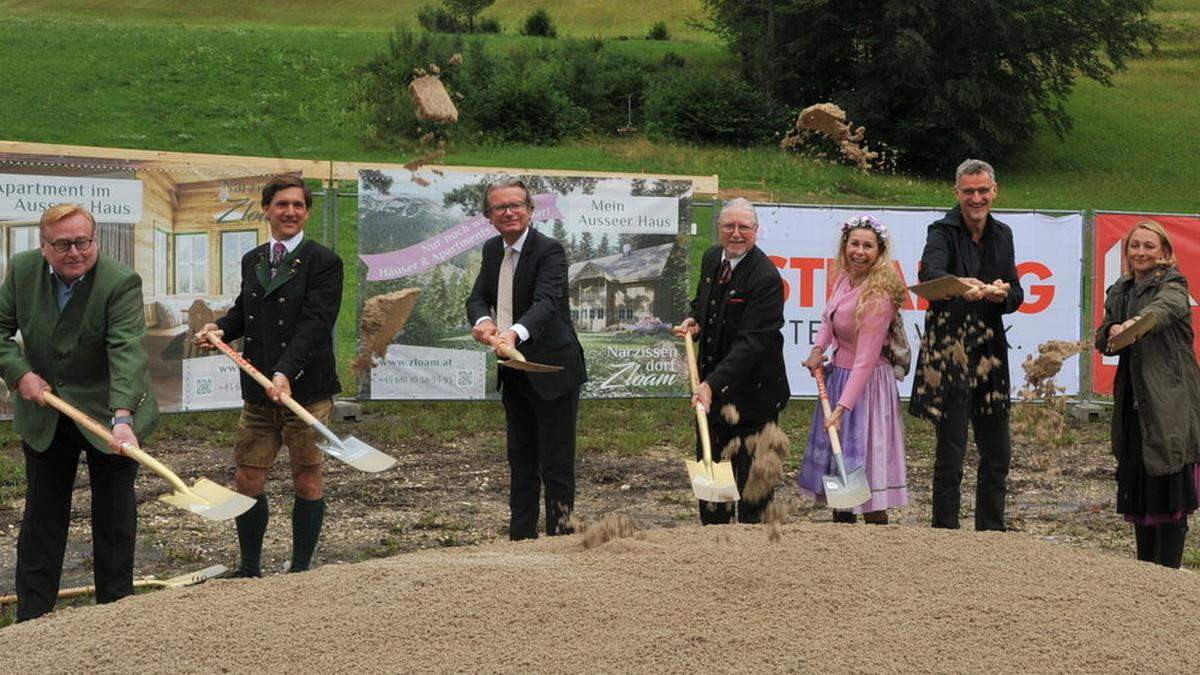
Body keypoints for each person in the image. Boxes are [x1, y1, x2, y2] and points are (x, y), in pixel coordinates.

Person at [0, 203, 158, 621]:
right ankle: (33, 620)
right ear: (44, 245)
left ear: (96, 240)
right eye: (64, 244)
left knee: (114, 519)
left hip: (108, 411)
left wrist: (122, 419)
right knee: (42, 519)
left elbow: (125, 351)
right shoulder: (22, 270)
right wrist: (20, 374)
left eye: (83, 242)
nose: (75, 252)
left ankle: (114, 615)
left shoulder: (120, 281)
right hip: (47, 410)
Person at [195, 175, 343, 577]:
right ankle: (249, 569)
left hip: (305, 390)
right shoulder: (254, 259)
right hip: (259, 390)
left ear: (307, 212)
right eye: (282, 204)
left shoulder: (324, 262)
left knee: (307, 475)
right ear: (267, 209)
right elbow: (245, 310)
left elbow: (315, 323)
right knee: (247, 476)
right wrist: (221, 327)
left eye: (298, 205)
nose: (290, 212)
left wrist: (285, 372)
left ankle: (299, 570)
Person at [466, 178, 587, 540]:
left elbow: (547, 303)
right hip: (514, 371)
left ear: (530, 211)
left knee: (556, 463)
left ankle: (561, 538)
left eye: (516, 205)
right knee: (520, 459)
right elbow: (476, 298)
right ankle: (520, 540)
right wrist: (483, 321)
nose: (509, 212)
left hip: (552, 370)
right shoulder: (491, 251)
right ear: (489, 216)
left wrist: (513, 334)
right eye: (500, 207)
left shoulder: (549, 251)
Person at [908, 159, 1023, 531]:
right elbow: (932, 276)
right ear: (957, 194)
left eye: (983, 190)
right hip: (950, 352)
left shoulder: (1003, 234)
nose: (977, 198)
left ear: (995, 191)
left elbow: (1016, 290)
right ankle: (946, 535)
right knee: (951, 454)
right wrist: (965, 285)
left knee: (997, 454)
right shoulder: (941, 231)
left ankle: (991, 533)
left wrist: (1002, 294)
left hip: (989, 353)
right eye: (969, 191)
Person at [673, 198, 789, 524]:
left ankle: (754, 563)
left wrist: (710, 383)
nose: (736, 233)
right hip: (713, 395)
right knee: (714, 492)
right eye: (729, 226)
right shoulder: (712, 258)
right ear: (719, 228)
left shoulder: (765, 277)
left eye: (744, 227)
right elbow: (703, 303)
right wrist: (695, 320)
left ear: (756, 231)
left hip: (756, 399)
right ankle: (715, 551)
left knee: (754, 496)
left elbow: (750, 344)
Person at [1096, 220, 1200, 568]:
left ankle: (1168, 573)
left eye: (1148, 246)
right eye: (1134, 246)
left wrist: (1135, 324)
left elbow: (1164, 310)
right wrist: (1112, 328)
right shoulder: (1120, 289)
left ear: (1165, 252)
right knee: (1139, 490)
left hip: (1169, 400)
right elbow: (1103, 339)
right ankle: (1144, 574)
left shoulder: (1173, 283)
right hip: (1133, 400)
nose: (1140, 252)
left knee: (1170, 486)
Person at [797, 215, 908, 524]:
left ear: (880, 252)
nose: (859, 251)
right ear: (845, 246)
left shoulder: (878, 295)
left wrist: (842, 408)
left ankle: (877, 546)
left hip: (867, 387)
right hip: (839, 378)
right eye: (854, 244)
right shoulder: (845, 279)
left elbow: (866, 359)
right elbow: (827, 318)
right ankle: (843, 548)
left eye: (868, 246)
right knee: (839, 469)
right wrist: (818, 350)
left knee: (866, 475)